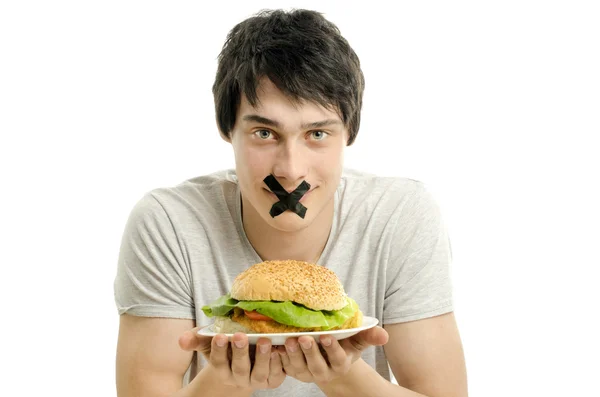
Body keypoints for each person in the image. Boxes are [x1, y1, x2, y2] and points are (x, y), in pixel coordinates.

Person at [114, 8, 468, 397]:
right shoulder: (168, 223)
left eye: (317, 133)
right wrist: (225, 380)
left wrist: (344, 374)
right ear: (226, 128)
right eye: (264, 133)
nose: (290, 170)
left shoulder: (401, 216)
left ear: (349, 133)